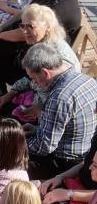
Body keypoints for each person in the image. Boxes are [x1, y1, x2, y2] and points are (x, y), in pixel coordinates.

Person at [0, 5, 80, 119]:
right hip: (39, 94)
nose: (25, 31)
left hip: (54, 110)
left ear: (48, 27)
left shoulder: (55, 56)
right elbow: (32, 80)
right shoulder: (41, 43)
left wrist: (39, 107)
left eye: (30, 26)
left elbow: (64, 93)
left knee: (6, 114)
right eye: (23, 26)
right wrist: (11, 93)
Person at [21, 43, 97, 180]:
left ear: (45, 73)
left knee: (6, 160)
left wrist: (14, 143)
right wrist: (37, 129)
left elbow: (44, 146)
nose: (34, 83)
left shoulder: (59, 97)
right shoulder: (87, 79)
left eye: (34, 78)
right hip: (84, 152)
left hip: (65, 163)